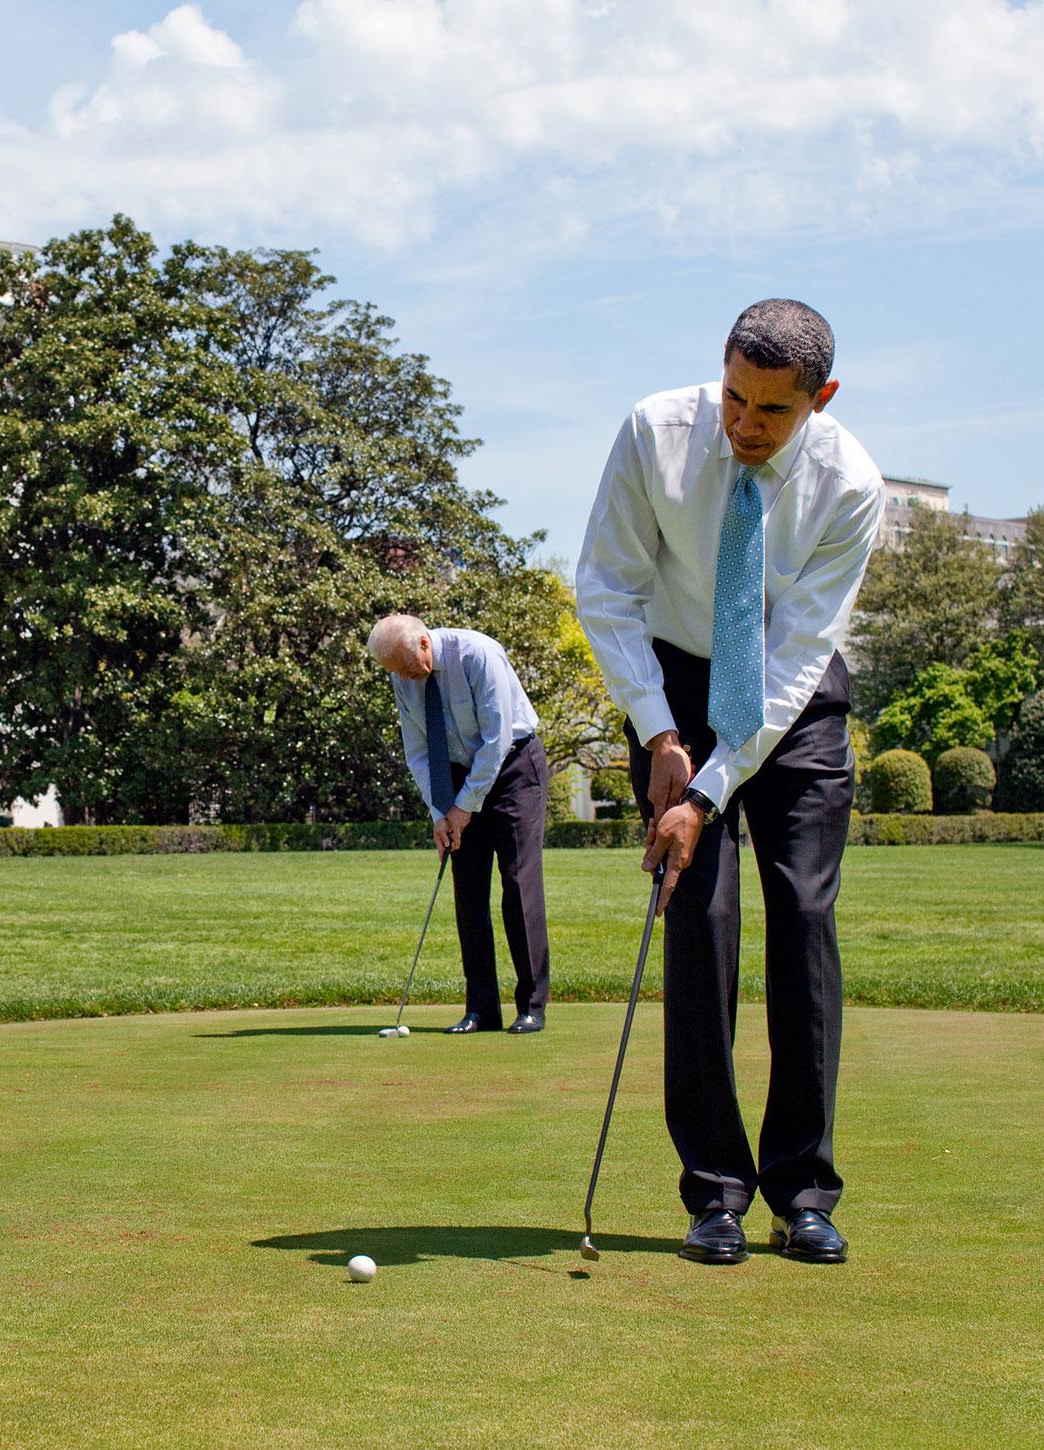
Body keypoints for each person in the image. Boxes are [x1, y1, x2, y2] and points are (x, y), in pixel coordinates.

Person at [575, 299, 883, 1266]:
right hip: (670, 677)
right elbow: (607, 590)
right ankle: (714, 1192)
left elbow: (792, 664)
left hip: (792, 703)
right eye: (736, 400)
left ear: (819, 400)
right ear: (721, 369)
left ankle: (804, 1192)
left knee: (801, 918)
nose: (745, 425)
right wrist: (659, 729)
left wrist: (709, 790)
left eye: (772, 413)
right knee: (697, 920)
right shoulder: (654, 431)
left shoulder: (851, 485)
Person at [368, 614, 551, 1035]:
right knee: (468, 892)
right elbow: (418, 751)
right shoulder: (404, 674)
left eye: (408, 666)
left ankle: (533, 1005)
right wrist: (439, 812)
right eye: (397, 672)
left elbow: (497, 738)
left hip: (512, 770)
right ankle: (482, 1009)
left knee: (518, 884)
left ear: (424, 644)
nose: (406, 677)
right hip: (454, 774)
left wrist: (463, 807)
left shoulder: (478, 654)